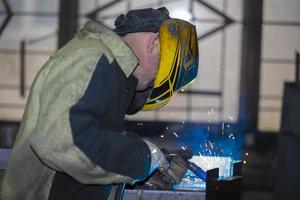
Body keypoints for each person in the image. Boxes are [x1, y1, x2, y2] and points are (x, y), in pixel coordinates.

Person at [1, 7, 199, 200]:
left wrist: (143, 174)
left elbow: (95, 147)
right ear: (154, 44)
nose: (155, 82)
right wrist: (147, 158)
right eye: (159, 72)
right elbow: (64, 141)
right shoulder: (91, 57)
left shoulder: (111, 70)